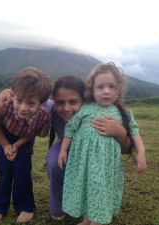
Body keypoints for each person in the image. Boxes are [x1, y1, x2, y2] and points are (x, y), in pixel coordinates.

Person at [0, 73, 139, 222]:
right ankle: (60, 205)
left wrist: (120, 132)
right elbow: (31, 95)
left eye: (73, 102)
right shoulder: (51, 108)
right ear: (54, 102)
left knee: (92, 173)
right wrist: (6, 92)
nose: (66, 108)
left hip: (94, 154)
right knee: (54, 160)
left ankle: (93, 207)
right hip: (66, 146)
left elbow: (126, 150)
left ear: (85, 99)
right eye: (60, 102)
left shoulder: (98, 112)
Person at [58, 63, 147, 225]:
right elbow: (70, 129)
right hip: (83, 162)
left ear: (118, 89)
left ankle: (98, 220)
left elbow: (134, 132)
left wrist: (141, 153)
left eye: (111, 86)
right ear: (91, 90)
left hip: (105, 165)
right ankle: (86, 218)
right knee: (85, 187)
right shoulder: (85, 109)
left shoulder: (122, 113)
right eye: (100, 87)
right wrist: (63, 150)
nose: (106, 91)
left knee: (100, 190)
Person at [0, 67, 52, 223]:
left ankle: (26, 207)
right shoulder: (5, 104)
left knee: (22, 170)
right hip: (4, 135)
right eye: (19, 100)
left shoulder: (44, 114)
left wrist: (19, 144)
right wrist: (6, 145)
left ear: (42, 103)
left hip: (25, 138)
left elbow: (34, 132)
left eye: (31, 103)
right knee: (4, 169)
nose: (23, 108)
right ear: (13, 94)